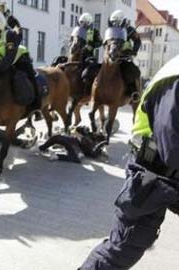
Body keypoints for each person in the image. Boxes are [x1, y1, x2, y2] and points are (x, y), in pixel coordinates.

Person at [78, 54, 179, 270]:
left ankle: (132, 92)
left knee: (130, 72)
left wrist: (124, 50)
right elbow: (174, 148)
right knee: (124, 246)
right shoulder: (176, 76)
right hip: (151, 171)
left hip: (170, 170)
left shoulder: (125, 34)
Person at [0, 9, 40, 109]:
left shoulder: (9, 35)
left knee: (29, 78)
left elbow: (10, 55)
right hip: (5, 64)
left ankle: (36, 105)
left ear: (0, 24)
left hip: (20, 60)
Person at [109, 10, 141, 99]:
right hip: (113, 55)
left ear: (122, 21)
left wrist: (134, 51)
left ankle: (134, 92)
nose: (115, 24)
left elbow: (137, 41)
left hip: (125, 56)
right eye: (114, 22)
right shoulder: (112, 30)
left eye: (117, 22)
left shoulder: (130, 29)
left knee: (132, 71)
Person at [39, 126, 107, 163]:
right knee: (57, 138)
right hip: (75, 144)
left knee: (78, 157)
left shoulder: (91, 141)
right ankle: (45, 149)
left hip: (75, 145)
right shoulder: (91, 138)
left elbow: (93, 151)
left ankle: (46, 150)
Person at [76, 13, 103, 95]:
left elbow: (100, 42)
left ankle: (88, 91)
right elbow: (72, 39)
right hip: (77, 54)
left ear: (88, 22)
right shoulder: (78, 30)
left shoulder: (95, 31)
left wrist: (92, 45)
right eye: (81, 22)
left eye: (84, 22)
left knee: (89, 72)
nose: (82, 24)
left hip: (88, 55)